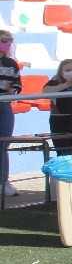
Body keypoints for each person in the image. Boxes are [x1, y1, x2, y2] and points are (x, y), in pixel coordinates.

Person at [42, 60, 72, 156]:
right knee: (62, 152)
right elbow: (45, 91)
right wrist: (67, 84)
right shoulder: (54, 82)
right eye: (68, 70)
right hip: (59, 121)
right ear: (61, 71)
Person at [0, 30, 22, 197]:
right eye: (4, 40)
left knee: (3, 145)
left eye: (9, 40)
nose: (7, 43)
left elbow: (18, 84)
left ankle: (4, 181)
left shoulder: (11, 63)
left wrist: (12, 91)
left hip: (5, 106)